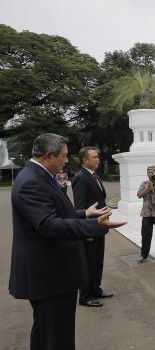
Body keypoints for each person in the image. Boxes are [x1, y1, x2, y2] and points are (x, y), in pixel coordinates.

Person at [9, 133, 125, 350]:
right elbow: (49, 225)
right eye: (63, 156)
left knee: (45, 332)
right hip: (50, 276)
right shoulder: (31, 182)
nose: (66, 160)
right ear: (48, 155)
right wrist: (95, 226)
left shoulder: (39, 176)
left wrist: (83, 214)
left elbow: (57, 213)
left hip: (50, 274)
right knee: (57, 337)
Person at [72, 146, 113, 308]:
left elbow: (99, 198)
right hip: (89, 228)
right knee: (88, 261)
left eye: (98, 156)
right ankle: (85, 296)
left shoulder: (94, 175)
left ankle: (95, 288)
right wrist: (85, 229)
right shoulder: (81, 178)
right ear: (85, 160)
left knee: (97, 260)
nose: (98, 159)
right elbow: (79, 208)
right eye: (94, 157)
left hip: (99, 225)